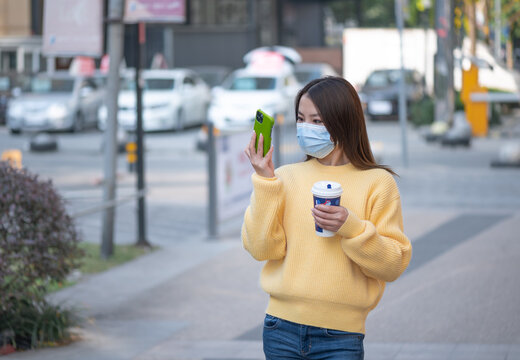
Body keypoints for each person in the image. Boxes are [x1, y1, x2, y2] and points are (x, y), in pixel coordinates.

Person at [242, 76, 412, 360]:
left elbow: (393, 265)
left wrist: (351, 227)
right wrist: (265, 181)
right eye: (301, 119)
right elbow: (261, 249)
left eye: (317, 121)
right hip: (279, 328)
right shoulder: (283, 177)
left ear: (343, 122)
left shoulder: (378, 183)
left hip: (340, 336)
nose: (306, 128)